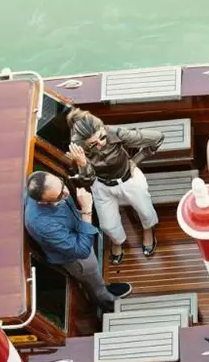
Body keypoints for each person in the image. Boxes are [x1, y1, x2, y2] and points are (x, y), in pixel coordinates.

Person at [24, 171, 131, 312]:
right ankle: (107, 303)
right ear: (42, 202)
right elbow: (82, 251)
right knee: (93, 280)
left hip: (77, 229)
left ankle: (104, 288)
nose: (66, 192)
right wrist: (86, 210)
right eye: (60, 196)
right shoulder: (41, 223)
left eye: (62, 184)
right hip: (75, 257)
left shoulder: (46, 185)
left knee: (96, 278)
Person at [68, 109, 164, 264]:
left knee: (146, 212)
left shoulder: (117, 133)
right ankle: (117, 241)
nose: (100, 144)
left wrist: (136, 159)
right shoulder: (77, 148)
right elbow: (88, 181)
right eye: (93, 144)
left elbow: (158, 137)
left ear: (102, 128)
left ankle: (148, 229)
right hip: (101, 185)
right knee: (107, 226)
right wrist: (83, 164)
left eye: (102, 137)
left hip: (128, 179)